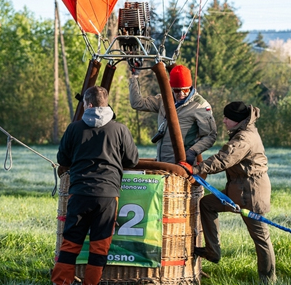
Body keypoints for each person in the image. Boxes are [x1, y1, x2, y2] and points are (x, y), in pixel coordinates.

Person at [180, 101, 276, 284]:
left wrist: (196, 169)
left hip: (251, 192)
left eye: (227, 118)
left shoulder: (244, 139)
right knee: (207, 204)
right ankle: (213, 252)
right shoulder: (242, 132)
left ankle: (268, 279)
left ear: (237, 120)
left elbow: (224, 159)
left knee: (261, 238)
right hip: (239, 189)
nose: (223, 121)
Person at [52, 86, 139, 285]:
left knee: (71, 243)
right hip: (108, 195)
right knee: (99, 246)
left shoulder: (74, 128)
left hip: (80, 193)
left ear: (89, 104)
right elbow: (132, 160)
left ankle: (60, 282)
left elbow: (62, 158)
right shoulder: (120, 129)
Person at [129, 64, 216, 164]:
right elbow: (137, 104)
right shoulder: (164, 100)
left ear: (190, 87)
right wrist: (134, 77)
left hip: (183, 163)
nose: (181, 94)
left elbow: (210, 136)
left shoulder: (200, 107)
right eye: (177, 90)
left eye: (186, 90)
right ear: (172, 88)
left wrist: (193, 151)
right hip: (162, 161)